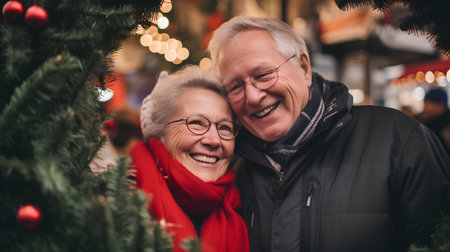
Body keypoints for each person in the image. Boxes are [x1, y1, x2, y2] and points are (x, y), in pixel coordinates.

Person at [207, 16, 450, 252]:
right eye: (235, 87)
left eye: (263, 75)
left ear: (303, 67)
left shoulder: (399, 141)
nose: (252, 96)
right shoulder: (233, 172)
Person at [128, 65, 249, 252]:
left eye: (224, 127)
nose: (214, 140)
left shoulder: (246, 209)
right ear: (160, 133)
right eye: (196, 123)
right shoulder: (116, 204)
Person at [416, 88, 450, 155]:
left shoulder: (446, 125)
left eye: (429, 103)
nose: (425, 107)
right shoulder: (424, 120)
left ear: (441, 105)